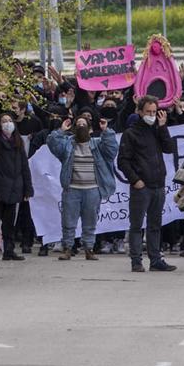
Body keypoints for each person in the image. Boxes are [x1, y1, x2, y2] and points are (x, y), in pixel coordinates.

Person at [46, 110, 117, 261]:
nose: (81, 127)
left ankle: (89, 249)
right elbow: (52, 144)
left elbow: (112, 151)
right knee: (68, 221)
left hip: (92, 190)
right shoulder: (67, 146)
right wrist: (60, 130)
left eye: (84, 125)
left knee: (90, 222)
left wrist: (107, 131)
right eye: (78, 125)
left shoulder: (98, 144)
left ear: (90, 129)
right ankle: (67, 249)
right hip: (72, 189)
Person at [116, 95, 175, 272]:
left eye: (154, 112)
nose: (151, 115)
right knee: (136, 225)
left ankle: (155, 260)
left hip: (158, 185)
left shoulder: (157, 130)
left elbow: (169, 148)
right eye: (148, 112)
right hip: (141, 187)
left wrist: (163, 128)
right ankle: (136, 261)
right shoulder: (131, 133)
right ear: (140, 112)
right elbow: (123, 161)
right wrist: (135, 180)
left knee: (155, 225)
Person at [0, 112, 33, 261]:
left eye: (10, 121)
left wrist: (28, 188)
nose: (7, 123)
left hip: (14, 188)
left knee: (9, 223)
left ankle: (9, 250)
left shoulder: (18, 143)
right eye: (4, 121)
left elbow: (24, 167)